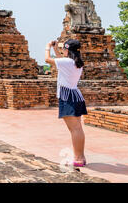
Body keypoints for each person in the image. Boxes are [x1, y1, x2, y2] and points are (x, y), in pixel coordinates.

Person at [45, 39, 87, 167]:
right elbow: (60, 60)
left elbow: (48, 60)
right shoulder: (75, 62)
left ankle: (78, 159)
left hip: (67, 96)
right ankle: (80, 156)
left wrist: (47, 47)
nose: (63, 51)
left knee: (75, 129)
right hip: (75, 96)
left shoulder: (67, 62)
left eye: (64, 49)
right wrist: (56, 48)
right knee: (76, 128)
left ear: (68, 50)